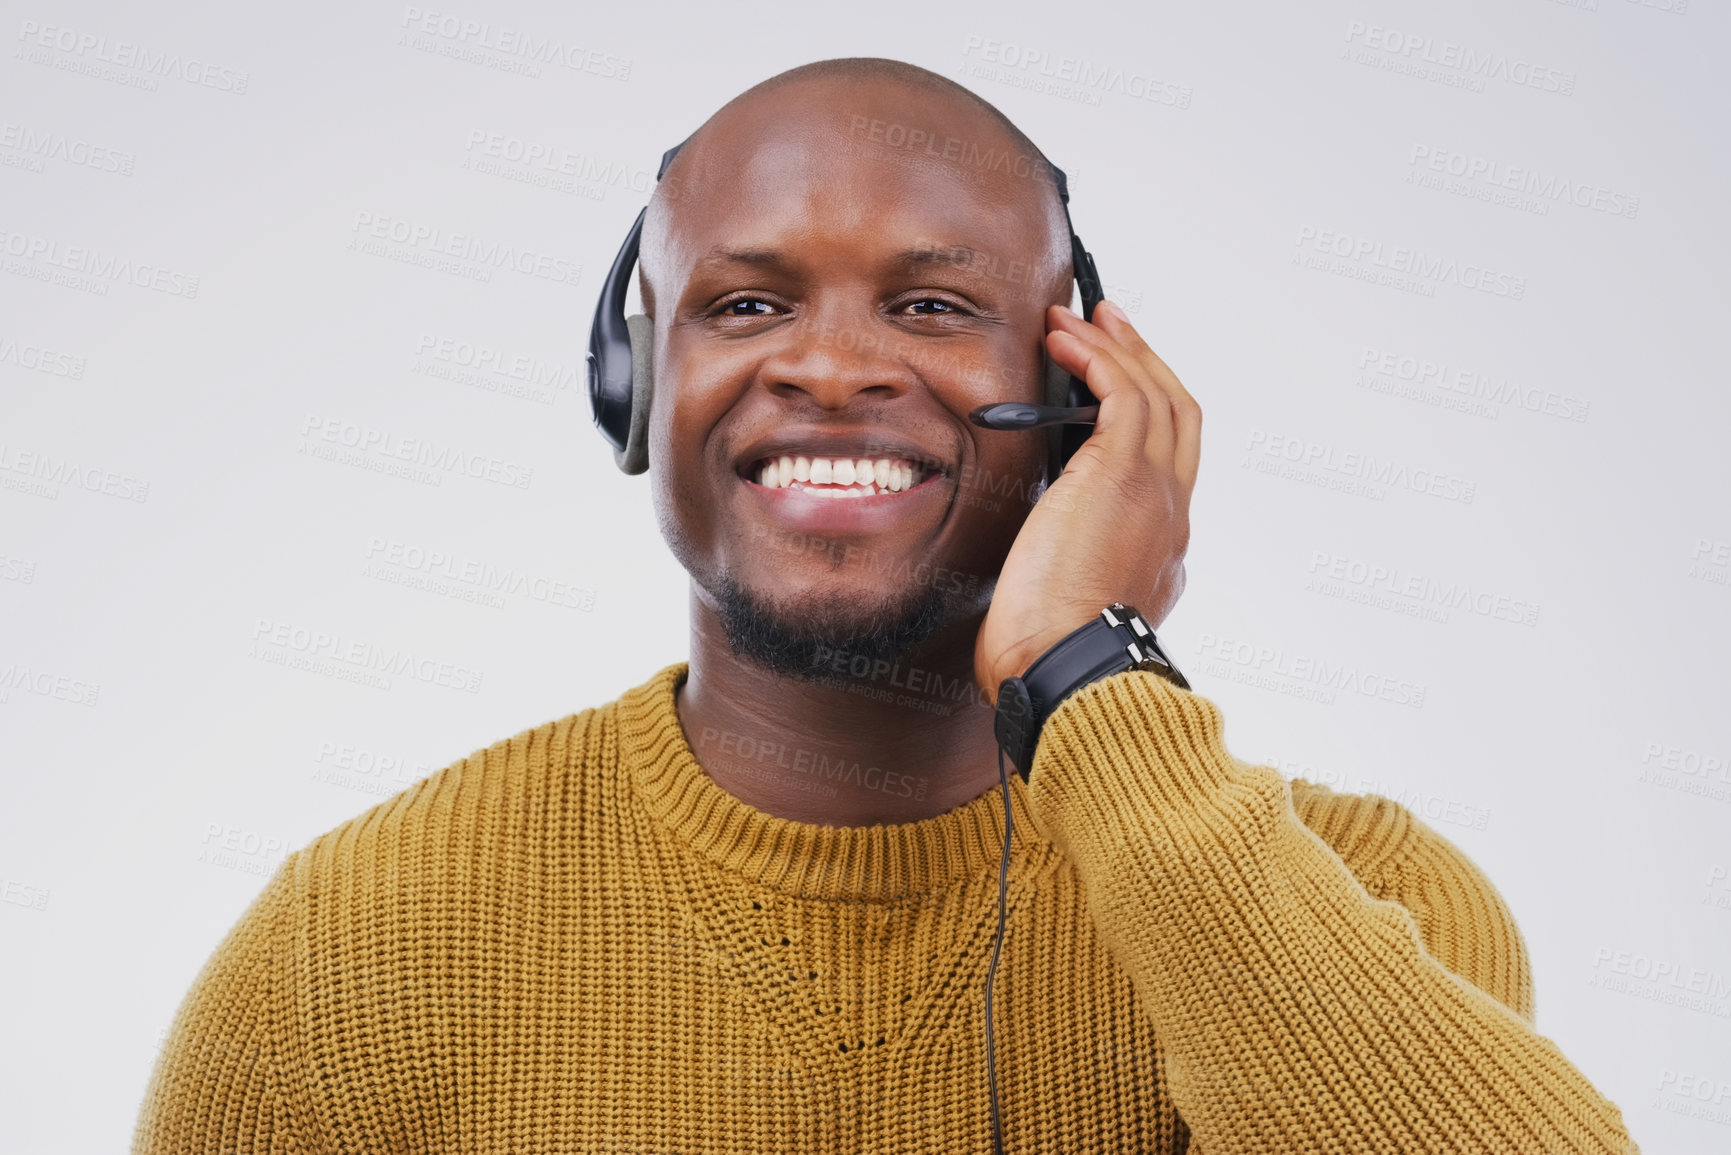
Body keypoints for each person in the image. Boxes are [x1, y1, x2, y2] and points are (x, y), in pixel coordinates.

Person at [134, 58, 1637, 1153]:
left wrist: (1085, 677)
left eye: (931, 305)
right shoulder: (357, 949)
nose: (833, 368)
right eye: (746, 303)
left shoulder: (1360, 899)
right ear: (634, 385)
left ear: (1074, 392)